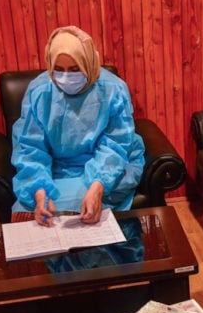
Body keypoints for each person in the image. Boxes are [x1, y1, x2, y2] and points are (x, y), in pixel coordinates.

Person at [11, 25, 145, 226]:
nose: (66, 77)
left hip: (107, 169)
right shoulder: (39, 92)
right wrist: (39, 192)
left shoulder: (113, 90)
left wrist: (97, 187)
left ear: (89, 63)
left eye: (74, 70)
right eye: (58, 69)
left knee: (87, 214)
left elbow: (116, 144)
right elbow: (30, 147)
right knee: (28, 217)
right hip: (53, 172)